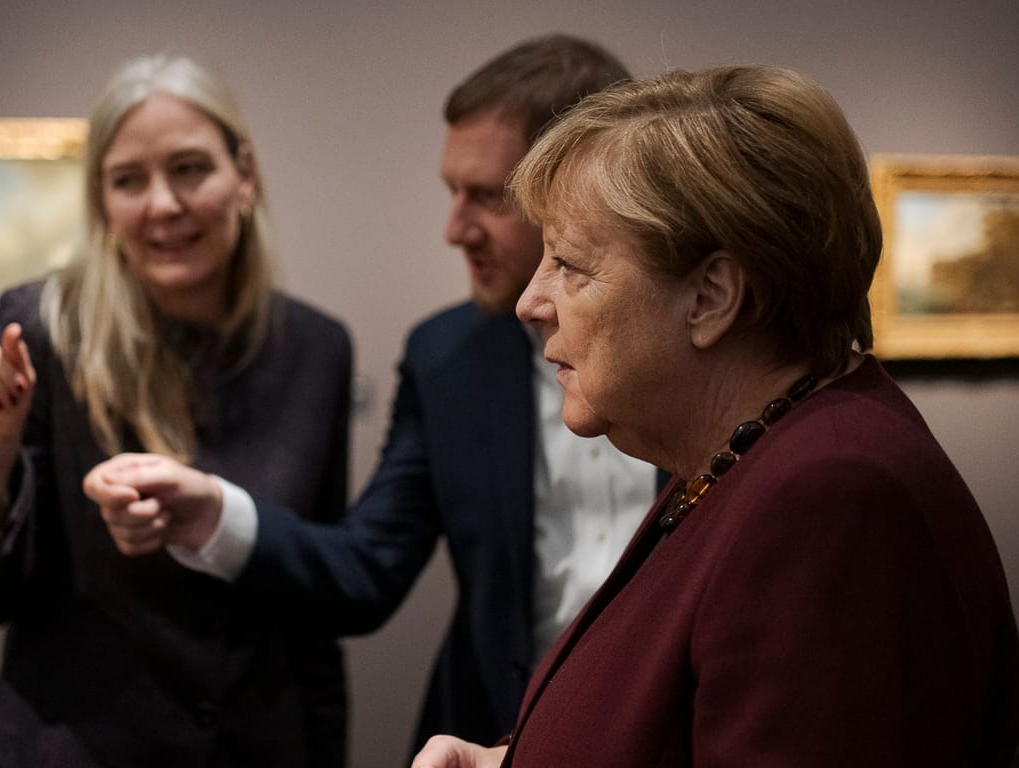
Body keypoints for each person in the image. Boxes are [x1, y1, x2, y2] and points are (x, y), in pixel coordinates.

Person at [410, 65, 1019, 767]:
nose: (531, 301)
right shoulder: (741, 451)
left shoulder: (831, 498)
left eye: (570, 264)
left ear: (710, 298)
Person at [88, 34, 665, 754]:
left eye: (488, 197)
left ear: (583, 190)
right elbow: (365, 572)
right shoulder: (446, 359)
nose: (455, 229)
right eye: (451, 192)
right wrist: (213, 513)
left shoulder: (693, 344)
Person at [0, 53, 353, 767]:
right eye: (130, 180)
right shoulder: (38, 329)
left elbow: (313, 593)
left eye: (190, 168)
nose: (162, 204)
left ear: (243, 175)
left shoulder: (316, 349)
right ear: (100, 200)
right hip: (72, 746)